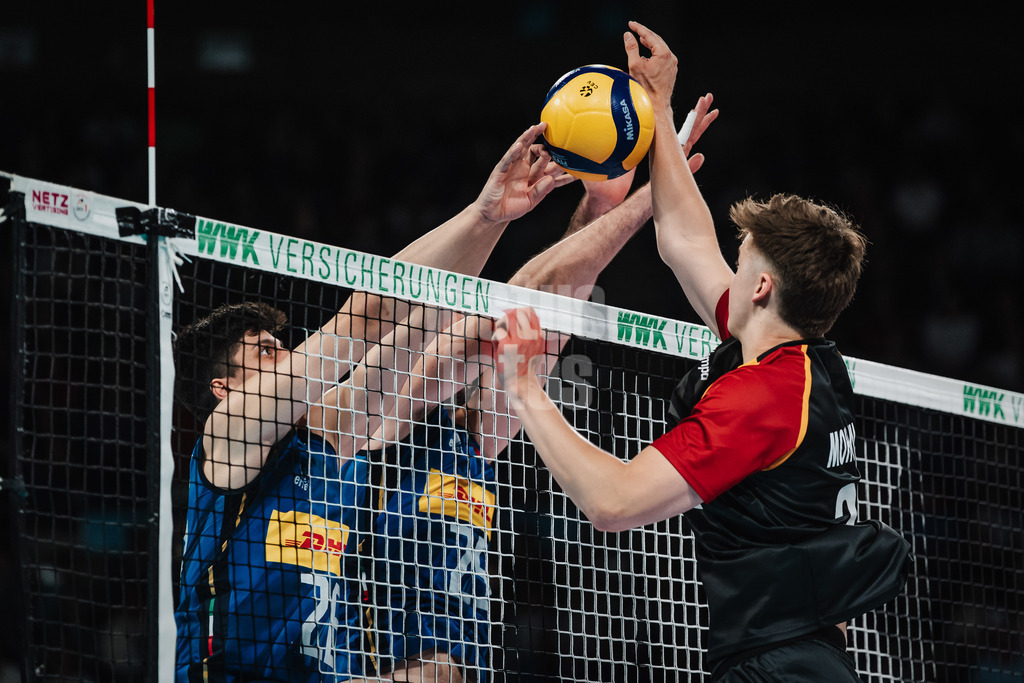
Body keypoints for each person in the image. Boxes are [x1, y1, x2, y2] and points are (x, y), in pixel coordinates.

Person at [173, 105, 716, 683]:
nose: (285, 354)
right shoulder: (230, 436)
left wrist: (502, 216)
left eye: (281, 345)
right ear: (223, 387)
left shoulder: (333, 440)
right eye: (264, 351)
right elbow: (367, 318)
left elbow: (485, 312)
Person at [490, 21, 912, 683]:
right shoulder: (800, 361)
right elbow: (686, 241)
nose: (729, 263)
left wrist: (524, 388)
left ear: (764, 286)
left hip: (777, 669)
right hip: (804, 660)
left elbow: (614, 501)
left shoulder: (760, 398)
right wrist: (656, 110)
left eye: (742, 259)